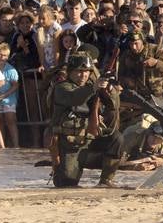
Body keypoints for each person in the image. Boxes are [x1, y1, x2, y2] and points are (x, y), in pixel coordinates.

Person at [48, 55, 122, 188]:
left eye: (86, 72)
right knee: (67, 184)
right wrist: (94, 88)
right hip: (71, 145)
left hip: (91, 141)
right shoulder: (62, 87)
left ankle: (106, 180)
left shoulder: (92, 86)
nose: (83, 75)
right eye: (79, 71)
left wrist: (109, 90)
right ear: (70, 72)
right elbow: (74, 98)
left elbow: (113, 106)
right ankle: (59, 172)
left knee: (116, 138)